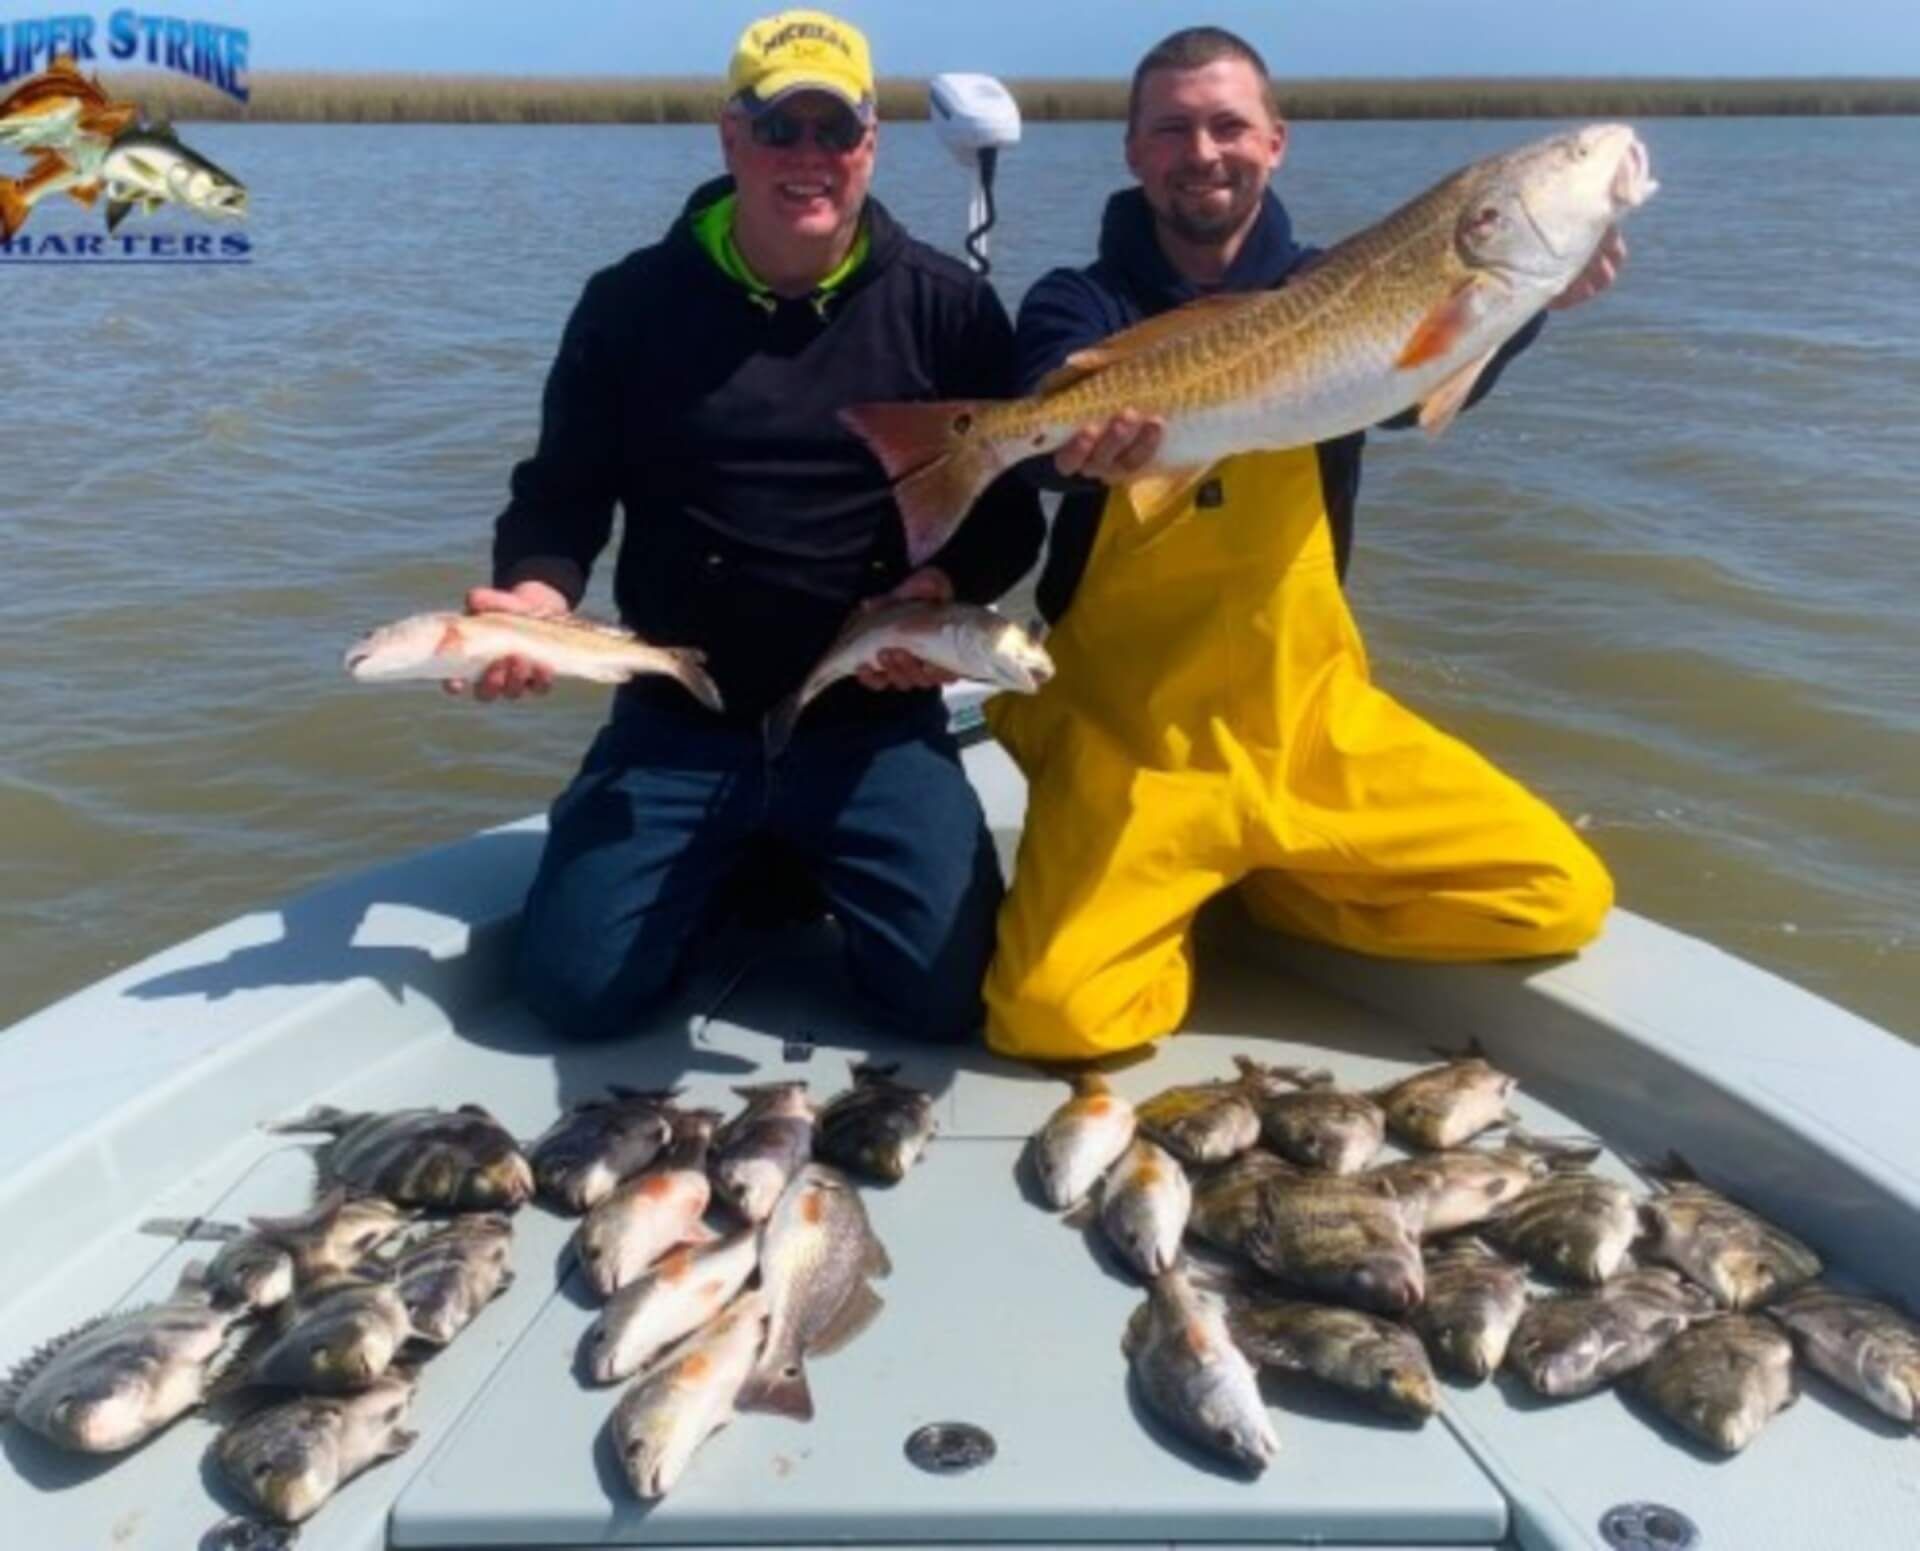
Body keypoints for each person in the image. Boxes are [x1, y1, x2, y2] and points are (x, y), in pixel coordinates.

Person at [983, 27, 1621, 1061]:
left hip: (1309, 723)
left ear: (1276, 142)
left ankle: (1266, 893)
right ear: (1134, 152)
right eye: (1174, 129)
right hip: (1134, 740)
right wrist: (1074, 451)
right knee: (1051, 1019)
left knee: (1557, 894)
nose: (1204, 152)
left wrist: (1527, 304)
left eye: (1229, 125)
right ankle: (1174, 887)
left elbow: (1412, 394)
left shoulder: (1347, 285)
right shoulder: (1083, 301)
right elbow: (1044, 432)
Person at [467, 10, 1043, 1044]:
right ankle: (752, 857)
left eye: (836, 130)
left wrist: (939, 595)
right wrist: (536, 599)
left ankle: (784, 853)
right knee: (577, 995)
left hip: (870, 722)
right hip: (680, 717)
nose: (809, 158)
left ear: (871, 143)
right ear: (730, 137)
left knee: (946, 1003)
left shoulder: (947, 310)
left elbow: (1006, 520)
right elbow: (559, 493)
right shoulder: (629, 304)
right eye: (782, 130)